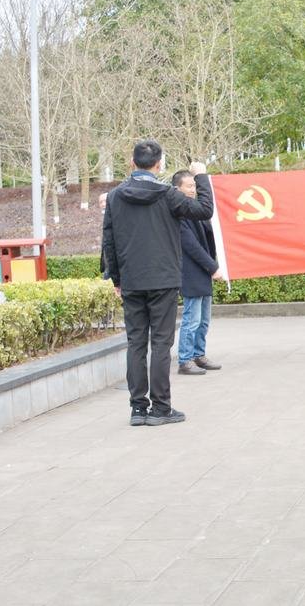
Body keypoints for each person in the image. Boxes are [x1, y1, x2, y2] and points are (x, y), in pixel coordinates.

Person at [101, 140, 213, 426]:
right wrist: (201, 176)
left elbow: (109, 241)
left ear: (132, 162)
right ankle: (161, 408)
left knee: (136, 343)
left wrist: (116, 279)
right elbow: (204, 210)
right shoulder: (169, 195)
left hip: (132, 280)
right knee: (161, 344)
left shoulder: (115, 197)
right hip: (163, 280)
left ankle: (138, 409)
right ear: (159, 164)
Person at [171, 170, 223, 376]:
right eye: (189, 186)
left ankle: (199, 354)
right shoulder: (178, 212)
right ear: (178, 189)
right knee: (191, 319)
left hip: (203, 270)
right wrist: (213, 267)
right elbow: (191, 246)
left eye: (194, 186)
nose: (193, 190)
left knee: (203, 320)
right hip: (190, 271)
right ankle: (185, 359)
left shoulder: (195, 211)